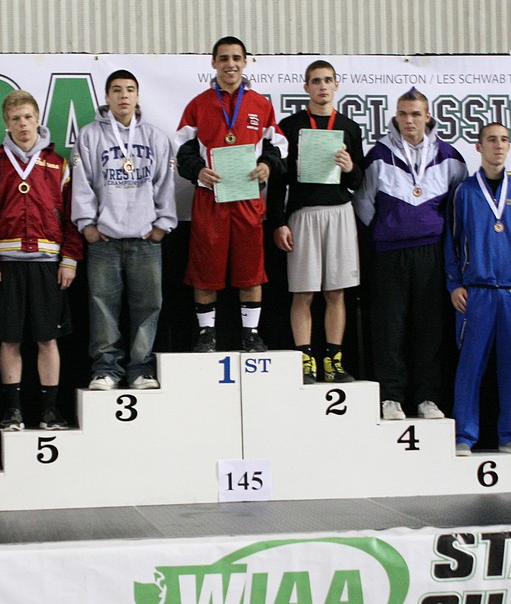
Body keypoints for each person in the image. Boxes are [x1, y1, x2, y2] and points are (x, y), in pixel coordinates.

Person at [0, 90, 82, 431]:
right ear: (6, 124)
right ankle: (13, 411)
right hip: (7, 266)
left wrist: (70, 259)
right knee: (10, 339)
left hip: (49, 263)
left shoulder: (57, 165)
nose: (23, 125)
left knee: (48, 339)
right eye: (15, 119)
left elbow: (74, 216)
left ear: (38, 120)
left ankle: (50, 411)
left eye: (28, 117)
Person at [354, 89, 467, 419]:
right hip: (389, 255)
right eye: (403, 114)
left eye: (416, 114)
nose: (409, 120)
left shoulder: (450, 157)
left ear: (427, 116)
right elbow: (363, 204)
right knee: (390, 328)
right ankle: (391, 396)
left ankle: (427, 397)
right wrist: (386, 232)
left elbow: (459, 209)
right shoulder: (377, 155)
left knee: (429, 329)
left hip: (431, 254)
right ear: (395, 117)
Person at [175, 36, 287, 353]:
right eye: (224, 58)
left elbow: (278, 147)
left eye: (236, 58)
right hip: (210, 200)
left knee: (251, 269)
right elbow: (182, 150)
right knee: (205, 270)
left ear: (245, 62)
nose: (230, 64)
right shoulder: (197, 105)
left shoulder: (261, 105)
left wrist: (267, 165)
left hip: (248, 200)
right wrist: (197, 170)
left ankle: (250, 333)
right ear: (213, 63)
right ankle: (206, 335)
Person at [72, 70, 177, 390]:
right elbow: (82, 183)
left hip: (146, 239)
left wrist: (162, 225)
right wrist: (87, 225)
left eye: (130, 90)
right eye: (116, 90)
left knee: (148, 307)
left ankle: (140, 369)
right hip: (104, 239)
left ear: (138, 96)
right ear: (106, 97)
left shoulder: (156, 137)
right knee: (103, 308)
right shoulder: (90, 135)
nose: (123, 96)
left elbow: (165, 184)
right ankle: (106, 370)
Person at [445, 123, 511, 456]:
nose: (498, 146)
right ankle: (464, 435)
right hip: (477, 291)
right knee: (470, 366)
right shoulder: (464, 191)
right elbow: (452, 243)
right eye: (491, 140)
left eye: (504, 140)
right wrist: (454, 283)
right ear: (479, 147)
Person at [267, 60, 364, 383]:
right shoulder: (290, 125)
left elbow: (358, 181)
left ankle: (333, 361)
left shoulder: (349, 127)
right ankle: (305, 360)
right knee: (303, 291)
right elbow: (278, 180)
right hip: (303, 214)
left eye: (327, 81)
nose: (322, 87)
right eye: (315, 81)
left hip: (339, 212)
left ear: (336, 84)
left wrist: (350, 167)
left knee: (336, 291)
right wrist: (278, 222)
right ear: (306, 87)